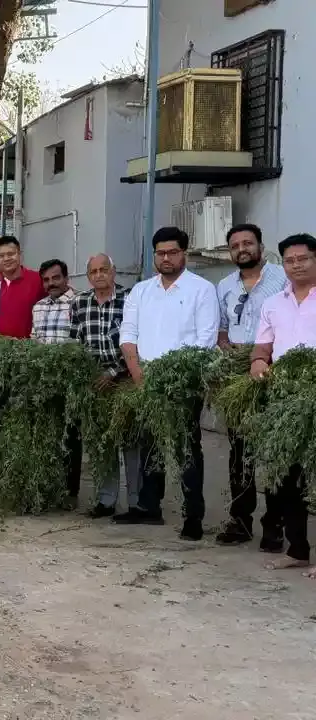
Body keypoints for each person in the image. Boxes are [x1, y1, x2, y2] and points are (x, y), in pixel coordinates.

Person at [118, 227, 219, 539]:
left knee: (186, 448)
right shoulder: (141, 291)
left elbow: (205, 340)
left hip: (183, 384)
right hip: (146, 382)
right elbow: (128, 334)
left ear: (184, 253)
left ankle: (193, 516)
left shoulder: (201, 290)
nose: (166, 258)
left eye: (172, 252)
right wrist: (137, 374)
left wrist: (178, 378)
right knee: (149, 444)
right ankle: (149, 507)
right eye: (160, 253)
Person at [213, 224, 286, 546]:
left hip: (275, 372)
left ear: (260, 245)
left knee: (275, 449)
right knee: (240, 451)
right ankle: (240, 520)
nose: (242, 249)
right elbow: (222, 328)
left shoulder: (282, 278)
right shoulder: (226, 285)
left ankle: (275, 523)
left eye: (248, 243)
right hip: (238, 375)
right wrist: (229, 349)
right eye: (235, 245)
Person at [250, 233, 316, 573]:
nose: (296, 265)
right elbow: (262, 347)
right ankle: (297, 549)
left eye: (302, 259)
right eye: (289, 260)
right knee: (289, 478)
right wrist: (259, 362)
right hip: (285, 401)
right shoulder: (273, 303)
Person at [70, 254, 141, 519]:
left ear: (113, 271)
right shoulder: (80, 303)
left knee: (131, 442)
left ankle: (136, 501)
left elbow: (137, 339)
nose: (99, 275)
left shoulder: (130, 299)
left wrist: (114, 372)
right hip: (95, 382)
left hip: (126, 378)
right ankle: (106, 499)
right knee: (103, 442)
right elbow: (75, 343)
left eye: (104, 270)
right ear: (88, 276)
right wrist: (88, 375)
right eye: (94, 271)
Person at [29, 259, 84, 508]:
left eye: (55, 278)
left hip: (70, 380)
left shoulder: (81, 302)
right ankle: (49, 489)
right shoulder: (38, 307)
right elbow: (35, 339)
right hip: (44, 381)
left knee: (70, 437)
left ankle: (70, 493)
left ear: (66, 278)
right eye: (46, 280)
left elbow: (83, 340)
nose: (51, 284)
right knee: (47, 435)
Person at [0, 235, 46, 343]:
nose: (6, 259)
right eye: (1, 256)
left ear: (20, 255)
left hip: (31, 351)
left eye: (11, 254)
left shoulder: (39, 280)